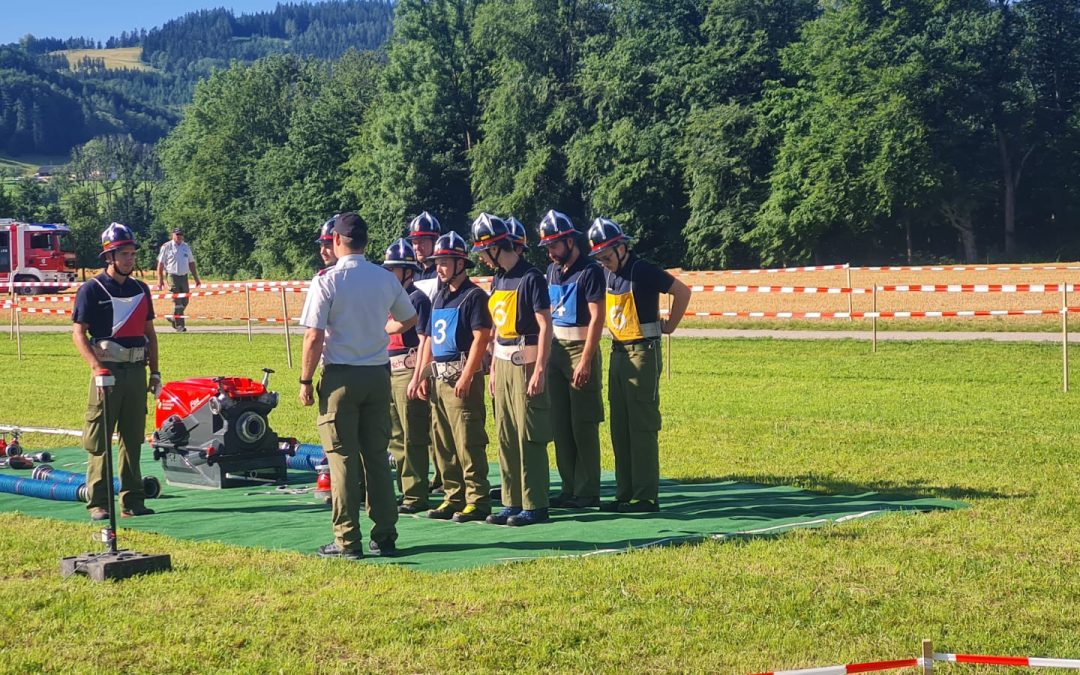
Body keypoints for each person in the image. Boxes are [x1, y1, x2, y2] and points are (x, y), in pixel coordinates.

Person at [298, 212, 418, 560]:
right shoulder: (383, 278)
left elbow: (313, 335)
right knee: (377, 458)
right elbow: (409, 317)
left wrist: (305, 380)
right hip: (378, 374)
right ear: (366, 242)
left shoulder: (327, 281)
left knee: (342, 460)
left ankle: (347, 538)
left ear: (336, 241)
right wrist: (384, 330)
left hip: (341, 377)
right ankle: (385, 534)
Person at [587, 218, 692, 513]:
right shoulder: (608, 274)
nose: (604, 263)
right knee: (620, 426)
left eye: (607, 256)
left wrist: (670, 325)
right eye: (600, 259)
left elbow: (682, 292)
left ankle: (645, 496)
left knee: (641, 425)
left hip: (643, 353)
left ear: (621, 247)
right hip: (618, 353)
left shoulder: (643, 270)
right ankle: (625, 492)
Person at [72, 223, 160, 521]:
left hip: (136, 370)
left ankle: (133, 500)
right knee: (100, 438)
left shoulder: (140, 289)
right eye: (124, 253)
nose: (130, 258)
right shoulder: (91, 289)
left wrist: (155, 372)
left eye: (132, 253)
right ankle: (99, 500)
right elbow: (78, 334)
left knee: (133, 438)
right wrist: (96, 367)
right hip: (107, 372)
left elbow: (150, 333)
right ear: (109, 256)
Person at [471, 213, 553, 527]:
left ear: (495, 247)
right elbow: (495, 325)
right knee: (505, 433)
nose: (480, 257)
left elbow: (546, 326)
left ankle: (535, 504)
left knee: (528, 433)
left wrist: (540, 369)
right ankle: (511, 499)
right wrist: (492, 367)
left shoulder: (531, 277)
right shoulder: (498, 279)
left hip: (526, 361)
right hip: (503, 364)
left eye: (482, 250)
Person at [416, 232, 493, 523]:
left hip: (461, 379)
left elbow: (481, 338)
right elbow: (432, 342)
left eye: (445, 262)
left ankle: (477, 499)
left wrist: (468, 375)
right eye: (437, 262)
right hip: (438, 380)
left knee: (468, 441)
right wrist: (423, 375)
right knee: (443, 443)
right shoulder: (439, 296)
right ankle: (453, 496)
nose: (439, 267)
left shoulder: (474, 296)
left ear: (461, 263)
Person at [537, 210, 605, 509]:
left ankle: (587, 489)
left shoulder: (590, 271)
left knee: (583, 424)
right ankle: (568, 487)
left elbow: (597, 317)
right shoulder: (552, 271)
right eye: (548, 247)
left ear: (569, 241)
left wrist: (587, 360)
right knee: (560, 423)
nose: (551, 253)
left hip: (580, 350)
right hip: (555, 350)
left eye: (554, 246)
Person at [382, 238, 434, 514]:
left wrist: (420, 375)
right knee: (395, 435)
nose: (389, 275)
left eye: (394, 270)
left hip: (409, 369)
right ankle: (406, 488)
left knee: (413, 434)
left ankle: (416, 493)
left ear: (408, 272)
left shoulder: (417, 299)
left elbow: (425, 339)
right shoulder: (389, 299)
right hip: (389, 369)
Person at [156, 228, 201, 332]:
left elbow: (191, 263)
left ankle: (173, 318)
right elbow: (161, 264)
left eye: (181, 234)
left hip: (184, 277)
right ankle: (180, 326)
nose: (179, 236)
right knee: (178, 302)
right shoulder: (167, 247)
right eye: (177, 234)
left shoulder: (186, 247)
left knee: (185, 300)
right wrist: (160, 280)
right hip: (172, 276)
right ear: (173, 235)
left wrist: (196, 278)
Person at [406, 211, 442, 301]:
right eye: (414, 243)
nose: (417, 247)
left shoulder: (443, 271)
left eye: (421, 242)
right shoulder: (411, 272)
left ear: (435, 242)